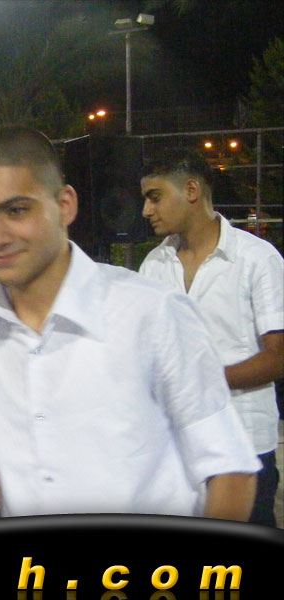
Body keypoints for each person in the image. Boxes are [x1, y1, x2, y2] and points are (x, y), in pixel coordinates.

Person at [0, 126, 261, 524]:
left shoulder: (151, 311)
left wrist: (195, 379)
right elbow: (30, 453)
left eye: (16, 210)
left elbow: (230, 467)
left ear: (65, 206)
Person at [138, 148, 284, 526]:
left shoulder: (258, 259)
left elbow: (278, 356)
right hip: (175, 450)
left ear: (191, 190)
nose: (146, 210)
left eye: (155, 197)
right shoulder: (153, 265)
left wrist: (203, 380)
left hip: (244, 447)